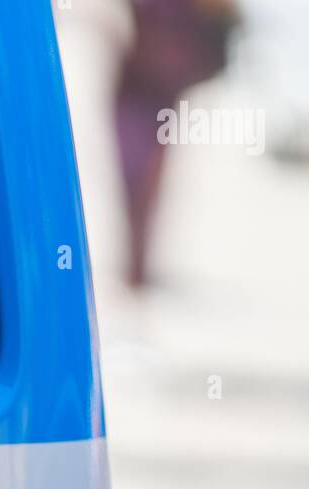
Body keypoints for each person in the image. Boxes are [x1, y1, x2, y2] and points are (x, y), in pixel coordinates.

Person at [115, 0, 239, 287]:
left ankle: (137, 266)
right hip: (140, 77)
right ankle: (135, 264)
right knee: (133, 173)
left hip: (161, 82)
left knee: (144, 175)